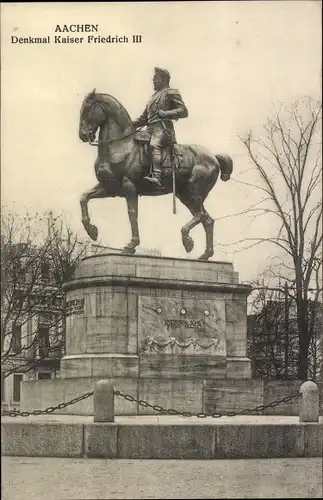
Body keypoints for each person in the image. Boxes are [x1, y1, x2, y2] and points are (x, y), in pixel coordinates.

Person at [133, 67, 188, 189]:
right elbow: (143, 119)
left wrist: (166, 113)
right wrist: (128, 124)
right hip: (150, 128)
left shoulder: (170, 92)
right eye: (154, 78)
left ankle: (157, 176)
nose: (153, 81)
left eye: (156, 78)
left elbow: (183, 111)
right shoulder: (152, 98)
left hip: (163, 128)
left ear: (163, 79)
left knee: (154, 145)